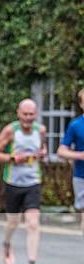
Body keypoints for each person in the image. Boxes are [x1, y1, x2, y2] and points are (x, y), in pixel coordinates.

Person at [0, 99, 47, 264]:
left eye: (32, 115)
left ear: (36, 114)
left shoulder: (41, 130)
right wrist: (14, 157)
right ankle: (6, 243)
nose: (28, 119)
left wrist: (42, 153)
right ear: (18, 113)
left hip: (33, 183)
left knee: (32, 223)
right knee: (13, 223)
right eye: (25, 114)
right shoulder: (10, 131)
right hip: (13, 183)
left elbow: (42, 148)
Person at [56, 88, 84, 237]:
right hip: (81, 175)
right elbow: (61, 151)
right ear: (81, 104)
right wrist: (79, 155)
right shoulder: (75, 125)